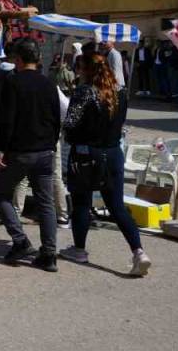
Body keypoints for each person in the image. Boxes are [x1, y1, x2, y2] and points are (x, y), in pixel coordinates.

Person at [59, 47, 153, 276]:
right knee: (117, 206)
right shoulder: (120, 92)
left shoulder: (84, 92)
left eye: (79, 68)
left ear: (86, 70)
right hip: (112, 153)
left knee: (81, 204)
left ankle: (80, 249)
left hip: (85, 154)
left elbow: (70, 123)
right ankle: (139, 251)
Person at [0, 39, 61, 272]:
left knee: (0, 193)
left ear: (18, 60)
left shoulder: (13, 82)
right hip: (45, 150)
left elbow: (6, 119)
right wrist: (51, 143)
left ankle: (20, 240)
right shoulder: (49, 83)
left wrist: (0, 148)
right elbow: (56, 118)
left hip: (20, 151)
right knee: (46, 202)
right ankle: (49, 254)